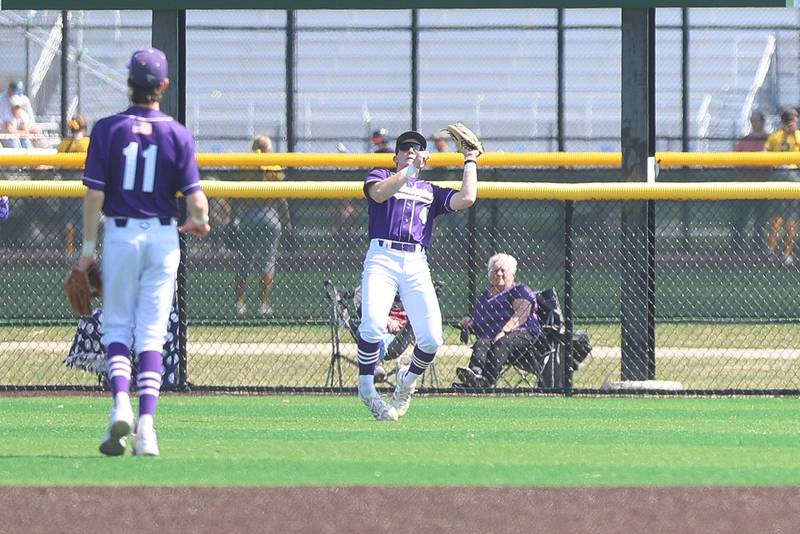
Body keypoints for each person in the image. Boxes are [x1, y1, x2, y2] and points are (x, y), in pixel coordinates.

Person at [78, 48, 210, 457]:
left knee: (117, 327)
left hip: (119, 234)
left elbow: (94, 194)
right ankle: (147, 429)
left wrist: (86, 249)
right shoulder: (177, 133)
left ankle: (120, 403)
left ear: (129, 83)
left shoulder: (107, 129)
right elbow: (198, 202)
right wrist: (199, 222)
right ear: (163, 86)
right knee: (152, 333)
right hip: (162, 237)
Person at [356, 130, 479, 420]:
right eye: (406, 148)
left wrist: (470, 160)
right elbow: (379, 193)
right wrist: (411, 169)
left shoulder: (429, 190)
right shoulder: (380, 174)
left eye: (417, 147)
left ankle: (406, 382)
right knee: (372, 325)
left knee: (432, 339)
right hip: (382, 256)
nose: (412, 150)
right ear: (395, 156)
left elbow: (467, 197)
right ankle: (366, 389)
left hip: (415, 261)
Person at [454, 254, 547, 388]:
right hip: (494, 339)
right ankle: (475, 377)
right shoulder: (484, 297)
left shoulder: (519, 290)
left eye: (503, 270)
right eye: (495, 271)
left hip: (525, 335)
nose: (498, 273)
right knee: (481, 343)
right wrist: (470, 322)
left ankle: (486, 382)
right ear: (489, 276)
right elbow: (480, 320)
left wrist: (504, 331)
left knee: (502, 342)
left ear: (512, 273)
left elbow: (521, 315)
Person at [232, 135, 291, 316]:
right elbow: (281, 195)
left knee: (245, 260)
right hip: (269, 213)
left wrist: (233, 217)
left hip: (249, 214)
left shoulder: (246, 163)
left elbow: (236, 193)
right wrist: (287, 219)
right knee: (268, 261)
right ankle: (262, 305)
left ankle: (239, 303)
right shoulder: (273, 164)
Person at [764, 106, 800, 266]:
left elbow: (764, 153)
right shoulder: (777, 136)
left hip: (787, 176)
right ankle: (777, 251)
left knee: (787, 217)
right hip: (785, 175)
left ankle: (782, 252)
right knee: (782, 216)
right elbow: (764, 154)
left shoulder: (786, 136)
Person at [57, 115, 91, 256]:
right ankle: (87, 250)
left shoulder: (64, 143)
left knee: (69, 218)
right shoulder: (88, 143)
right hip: (83, 183)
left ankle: (69, 250)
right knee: (84, 217)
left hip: (66, 182)